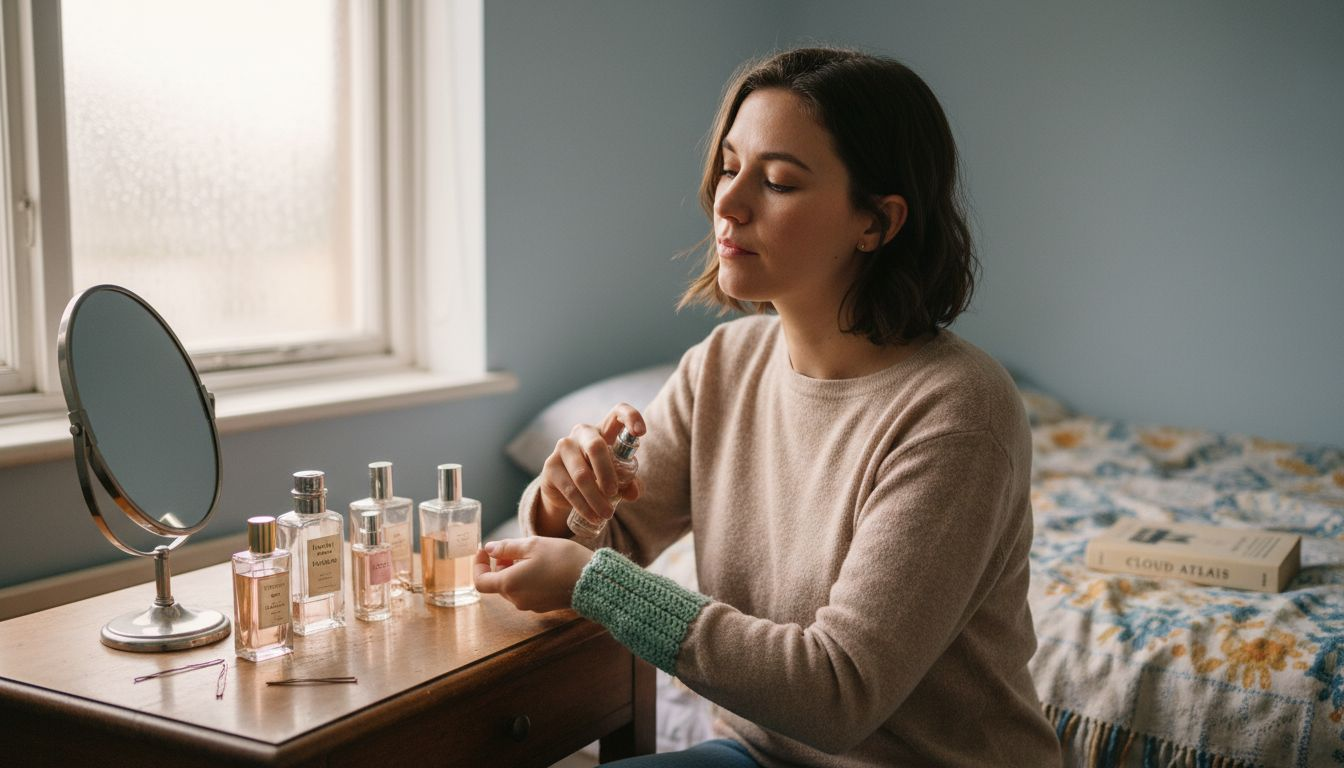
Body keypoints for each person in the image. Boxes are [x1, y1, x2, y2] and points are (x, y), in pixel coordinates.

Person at [474, 47, 1062, 767]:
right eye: (728, 166)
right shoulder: (724, 365)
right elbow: (603, 541)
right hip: (761, 756)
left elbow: (838, 692)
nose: (729, 201)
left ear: (876, 223)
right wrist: (563, 499)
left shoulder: (959, 411)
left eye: (779, 181)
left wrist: (597, 583)